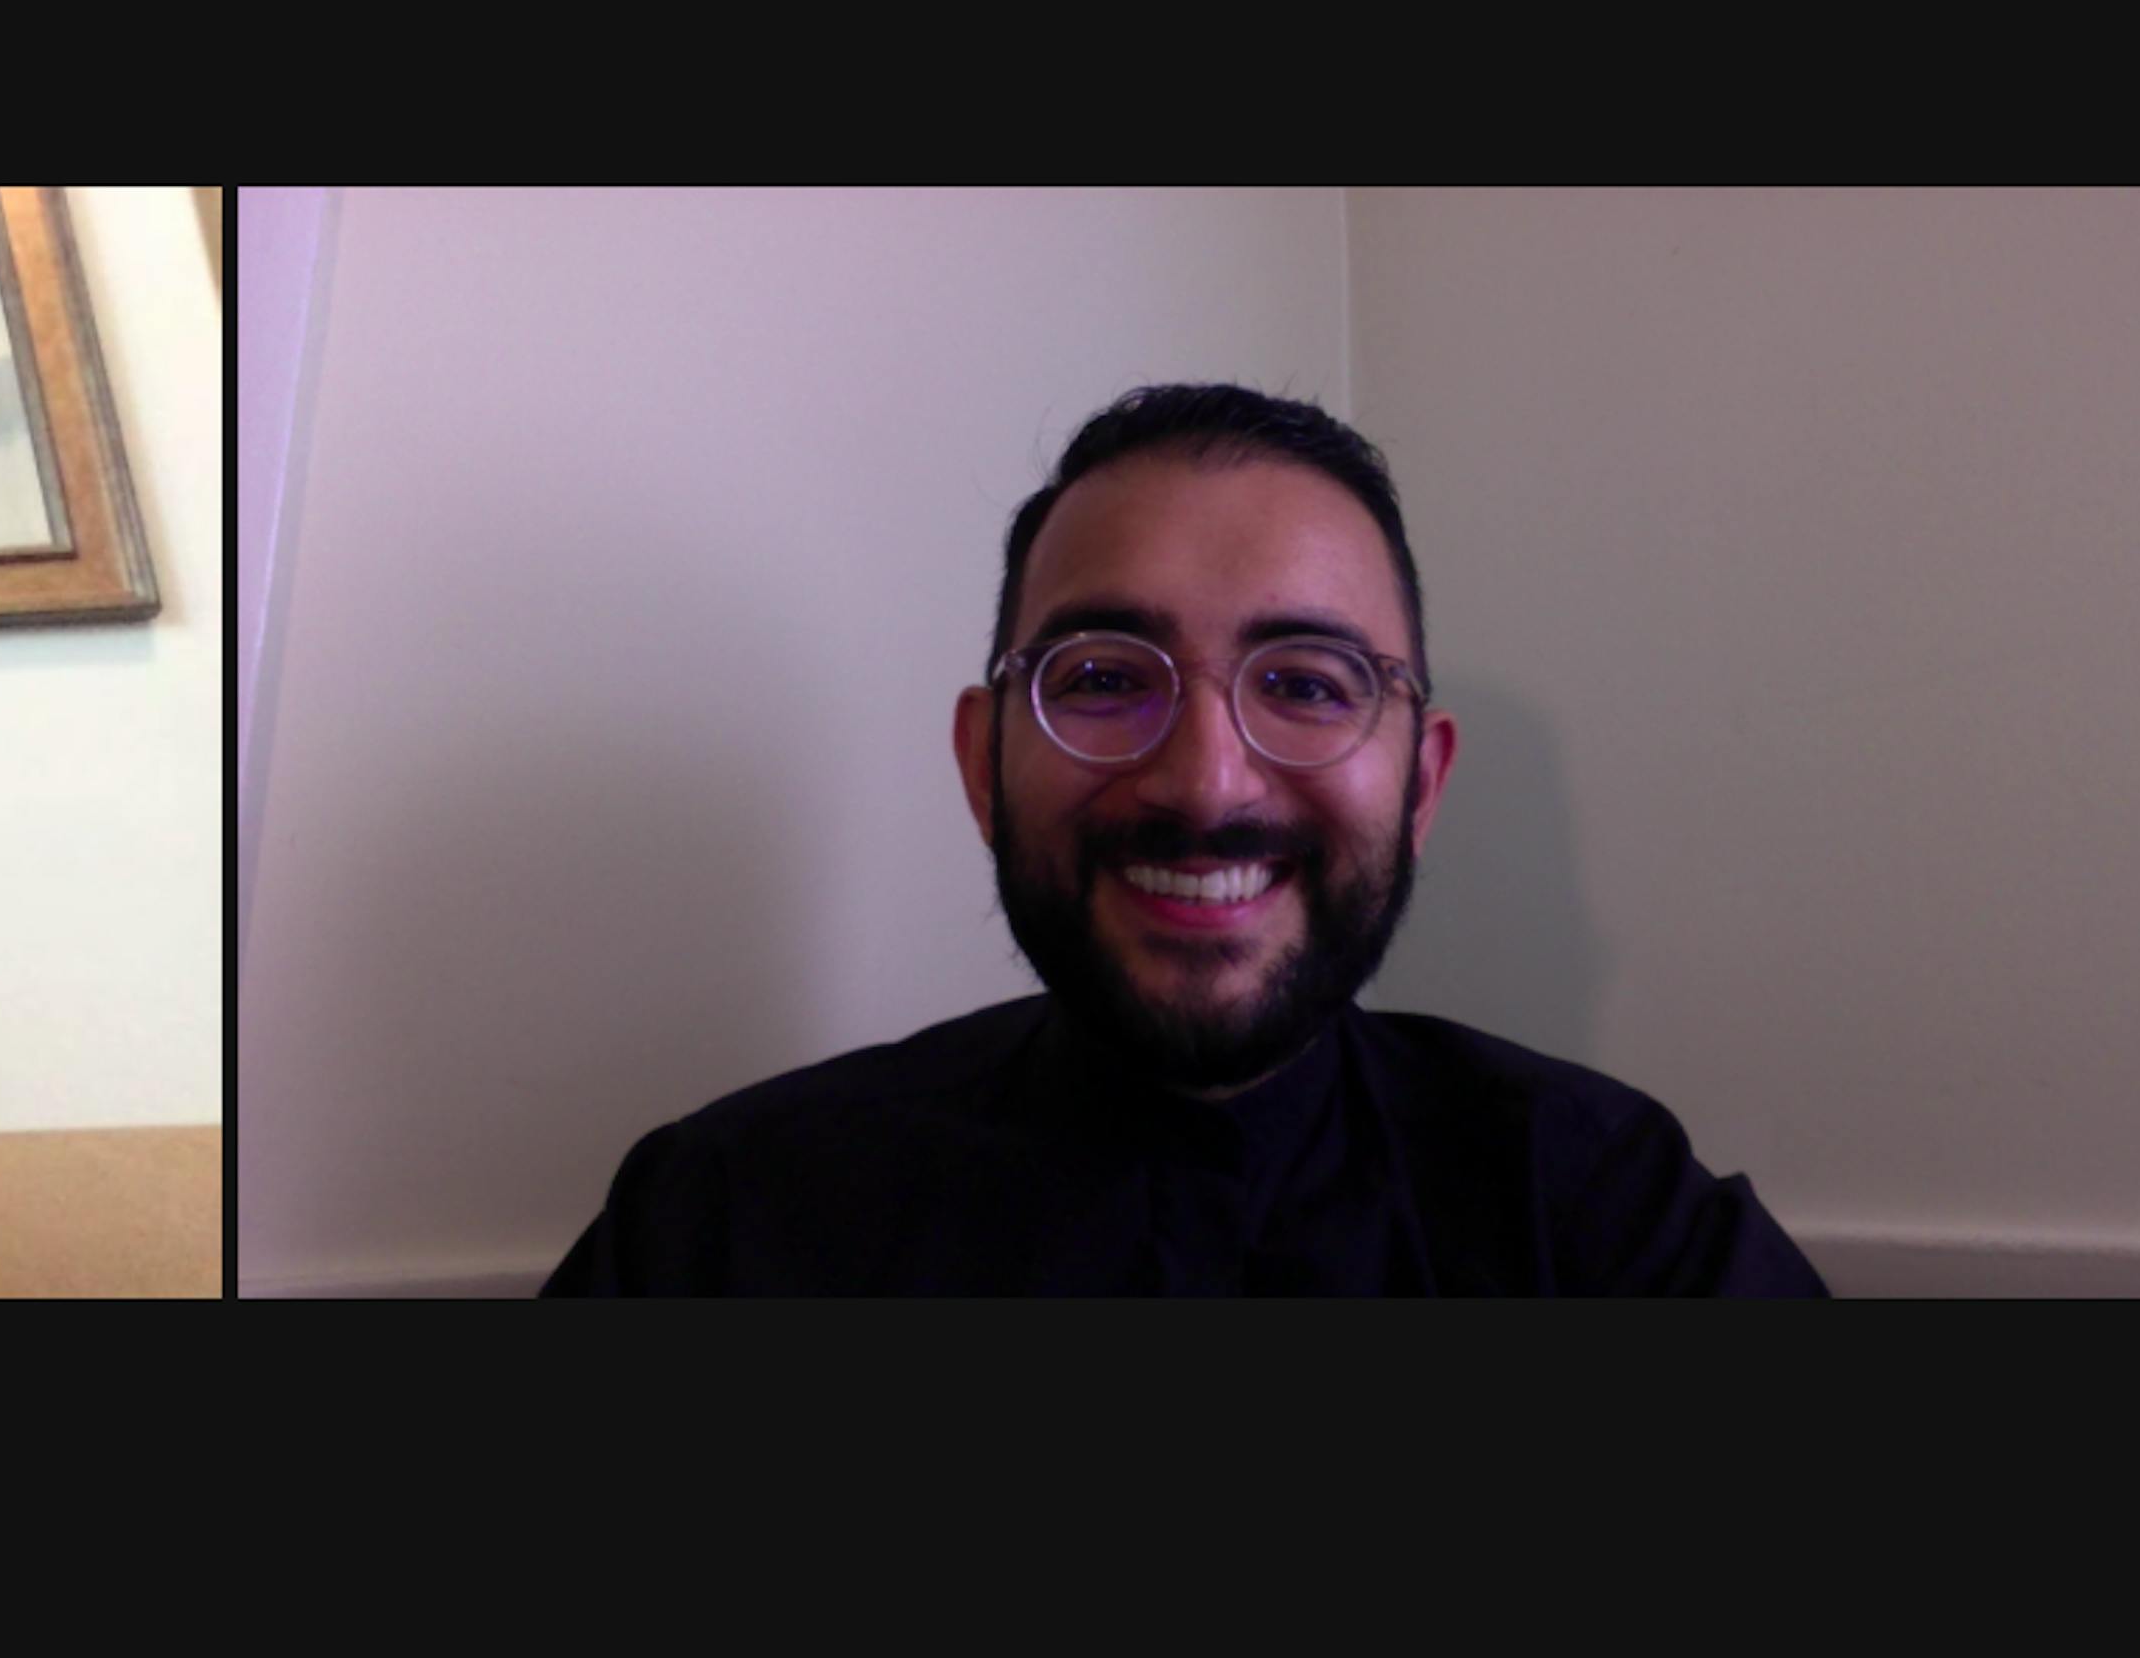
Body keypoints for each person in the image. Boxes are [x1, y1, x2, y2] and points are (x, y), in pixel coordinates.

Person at [544, 383, 1825, 1296]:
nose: (1205, 782)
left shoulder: (1607, 1212)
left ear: (1420, 783)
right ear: (983, 764)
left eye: (1306, 683)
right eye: (1103, 678)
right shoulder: (721, 1221)